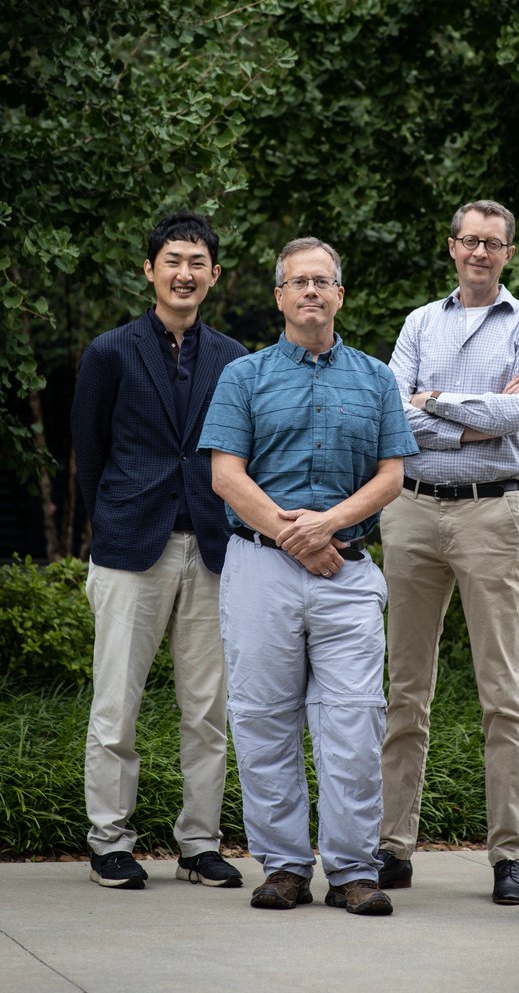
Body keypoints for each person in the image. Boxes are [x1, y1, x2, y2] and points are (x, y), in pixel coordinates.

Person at [198, 236, 417, 917]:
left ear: (340, 295)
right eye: (300, 282)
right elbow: (224, 474)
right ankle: (286, 867)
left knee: (353, 723)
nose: (312, 292)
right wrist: (294, 538)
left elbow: (392, 476)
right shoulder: (245, 376)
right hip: (260, 570)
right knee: (263, 720)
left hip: (347, 575)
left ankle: (353, 870)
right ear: (280, 297)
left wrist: (327, 527)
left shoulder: (376, 378)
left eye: (324, 281)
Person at [377, 200, 519, 905]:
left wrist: (437, 401)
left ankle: (510, 856)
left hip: (491, 515)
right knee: (403, 691)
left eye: (493, 243)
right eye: (469, 241)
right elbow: (395, 413)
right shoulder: (421, 321)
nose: (480, 251)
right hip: (411, 510)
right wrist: (471, 417)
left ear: (508, 253)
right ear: (451, 248)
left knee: (502, 694)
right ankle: (393, 847)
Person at [72, 210, 247, 891]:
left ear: (214, 274)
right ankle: (109, 841)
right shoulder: (109, 352)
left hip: (210, 548)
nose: (184, 273)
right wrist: (109, 522)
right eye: (172, 260)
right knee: (116, 705)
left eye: (197, 262)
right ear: (149, 270)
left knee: (207, 710)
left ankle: (199, 844)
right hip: (128, 548)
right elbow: (90, 454)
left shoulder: (235, 359)